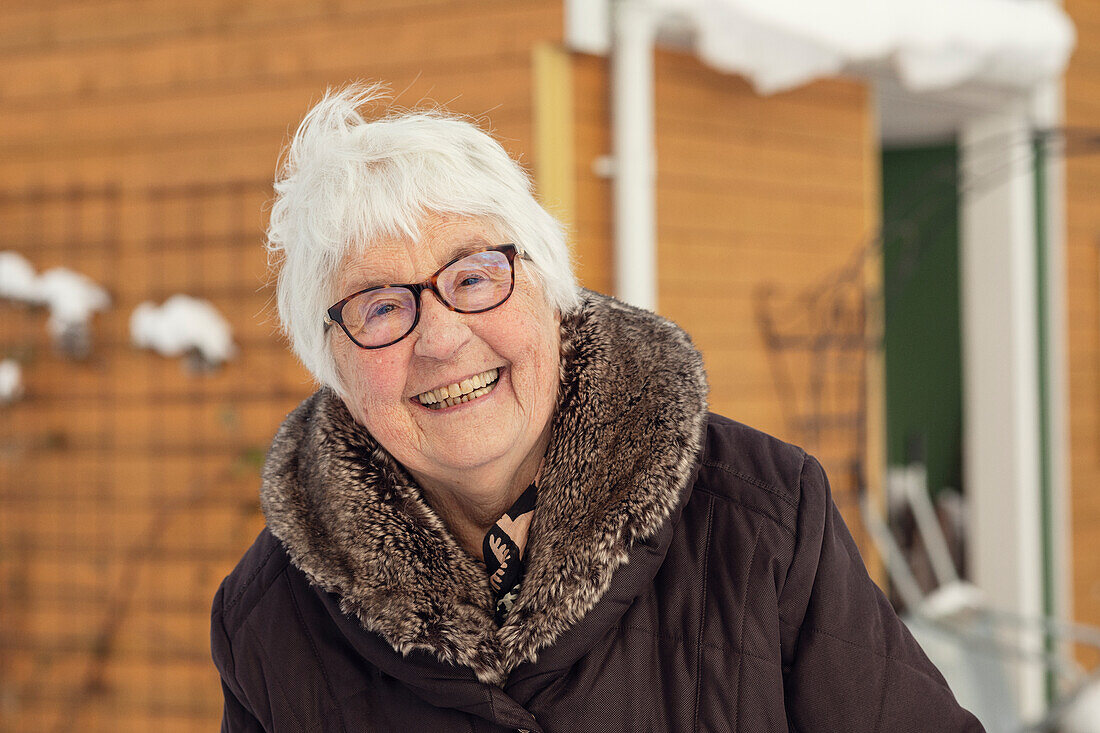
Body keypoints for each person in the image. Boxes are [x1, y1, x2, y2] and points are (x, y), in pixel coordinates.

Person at [211, 83, 983, 732]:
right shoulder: (267, 619)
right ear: (332, 362)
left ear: (550, 289)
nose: (442, 339)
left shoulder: (765, 516)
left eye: (475, 277)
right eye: (381, 308)